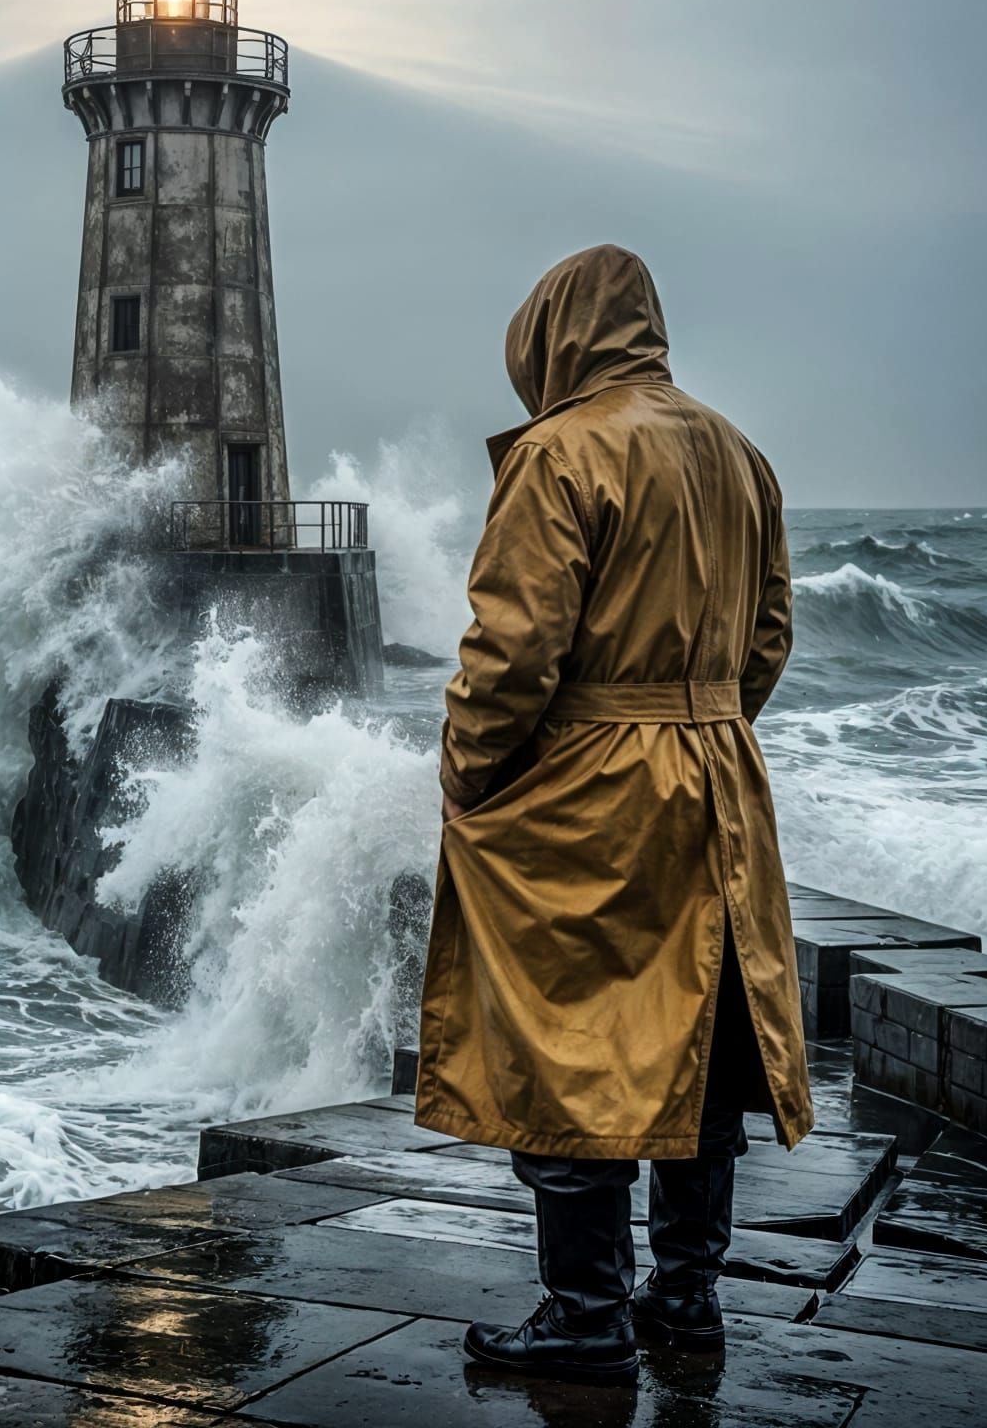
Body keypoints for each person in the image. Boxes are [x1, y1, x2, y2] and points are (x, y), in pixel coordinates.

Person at [415, 245, 813, 1387]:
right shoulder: (741, 454)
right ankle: (685, 1299)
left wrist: (472, 776)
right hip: (720, 774)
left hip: (594, 784)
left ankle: (584, 1311)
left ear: (556, 336)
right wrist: (706, 724)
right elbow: (770, 636)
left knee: (567, 1035)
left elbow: (513, 650)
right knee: (705, 1045)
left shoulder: (558, 452)